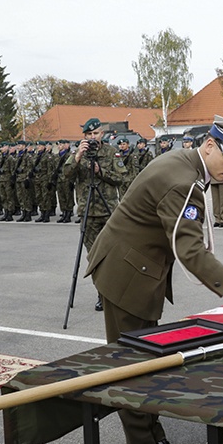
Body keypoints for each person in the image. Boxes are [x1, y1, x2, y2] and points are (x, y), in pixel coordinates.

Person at [86, 115, 223, 444]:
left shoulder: (186, 167)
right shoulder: (182, 181)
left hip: (140, 269)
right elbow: (191, 252)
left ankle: (154, 436)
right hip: (125, 274)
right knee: (133, 364)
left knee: (149, 361)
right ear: (209, 145)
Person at [64, 118, 125, 311]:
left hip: (109, 211)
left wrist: (100, 171)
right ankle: (102, 295)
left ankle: (117, 294)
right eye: (88, 135)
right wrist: (77, 157)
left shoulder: (110, 152)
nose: (92, 138)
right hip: (88, 212)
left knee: (112, 256)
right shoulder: (77, 152)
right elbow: (66, 175)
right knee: (95, 257)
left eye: (95, 134)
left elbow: (121, 178)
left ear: (102, 134)